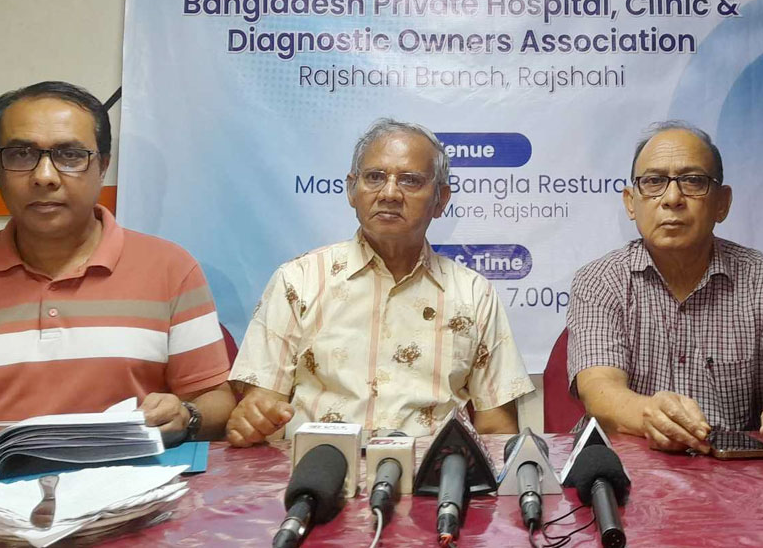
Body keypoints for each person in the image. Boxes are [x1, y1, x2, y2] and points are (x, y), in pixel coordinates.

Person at [0, 81, 235, 465]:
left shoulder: (170, 269)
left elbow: (218, 403)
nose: (44, 176)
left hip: (131, 492)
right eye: (21, 154)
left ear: (103, 165)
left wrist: (188, 416)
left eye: (70, 155)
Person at [226, 118, 533, 443]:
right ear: (351, 190)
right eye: (374, 177)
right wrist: (253, 421)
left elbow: (497, 430)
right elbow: (262, 408)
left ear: (441, 200)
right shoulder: (299, 280)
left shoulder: (473, 294)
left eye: (410, 181)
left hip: (431, 471)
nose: (389, 193)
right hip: (320, 468)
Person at [567, 121, 763, 456]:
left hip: (735, 473)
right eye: (653, 182)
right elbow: (599, 390)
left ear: (722, 203)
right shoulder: (599, 281)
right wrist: (648, 414)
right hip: (627, 468)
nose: (672, 198)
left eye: (693, 181)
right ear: (630, 203)